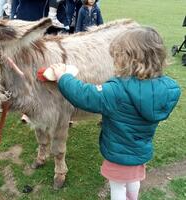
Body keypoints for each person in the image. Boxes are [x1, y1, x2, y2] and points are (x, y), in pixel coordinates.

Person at [50, 27, 181, 200]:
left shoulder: (117, 91)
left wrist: (63, 77)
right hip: (140, 151)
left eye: (118, 57)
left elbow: (85, 95)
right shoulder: (168, 89)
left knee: (117, 187)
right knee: (133, 179)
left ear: (129, 60)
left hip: (118, 154)